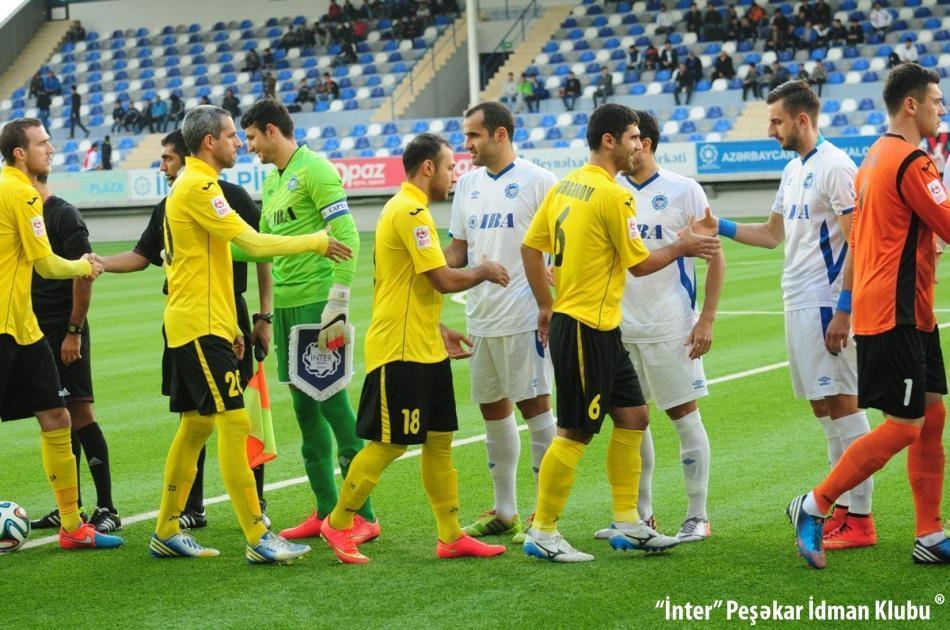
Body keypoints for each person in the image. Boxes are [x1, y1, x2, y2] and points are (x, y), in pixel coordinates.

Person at [144, 106, 348, 562]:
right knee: (235, 423)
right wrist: (315, 241)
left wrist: (231, 326)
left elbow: (215, 262)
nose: (239, 142)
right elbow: (253, 243)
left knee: (196, 426)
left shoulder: (196, 185)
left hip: (203, 323)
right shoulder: (199, 186)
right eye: (232, 135)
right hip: (198, 326)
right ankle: (258, 536)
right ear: (209, 142)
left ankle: (166, 529)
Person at [519, 104, 721, 562]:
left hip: (604, 328)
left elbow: (532, 248)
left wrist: (546, 305)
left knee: (634, 416)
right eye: (631, 137)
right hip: (586, 328)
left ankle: (630, 521)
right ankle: (543, 530)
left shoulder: (565, 185)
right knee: (574, 431)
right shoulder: (614, 195)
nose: (638, 145)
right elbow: (640, 264)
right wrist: (682, 246)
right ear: (609, 141)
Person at [701, 80, 877, 557]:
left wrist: (845, 309)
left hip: (825, 304)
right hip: (797, 302)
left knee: (844, 405)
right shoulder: (792, 169)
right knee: (824, 410)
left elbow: (859, 241)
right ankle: (843, 506)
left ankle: (861, 518)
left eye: (776, 121)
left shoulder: (836, 167)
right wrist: (720, 226)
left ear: (802, 119)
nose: (770, 130)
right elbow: (770, 234)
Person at [784, 64, 950, 568]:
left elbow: (868, 237)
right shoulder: (913, 163)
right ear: (911, 105)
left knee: (932, 415)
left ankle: (929, 534)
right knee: (905, 426)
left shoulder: (875, 155)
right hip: (896, 312)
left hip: (907, 309)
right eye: (936, 100)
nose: (941, 109)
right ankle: (814, 504)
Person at [318, 133, 510, 564]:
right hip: (399, 351)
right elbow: (441, 279)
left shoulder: (409, 209)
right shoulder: (409, 211)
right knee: (390, 444)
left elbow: (411, 283)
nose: (453, 175)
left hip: (425, 348)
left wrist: (438, 328)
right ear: (428, 168)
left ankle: (450, 536)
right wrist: (484, 271)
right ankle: (339, 521)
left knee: (439, 441)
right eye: (449, 167)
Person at [94, 130, 274, 531]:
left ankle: (256, 505)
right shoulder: (170, 204)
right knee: (194, 414)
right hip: (189, 317)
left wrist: (264, 314)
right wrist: (98, 262)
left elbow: (261, 250)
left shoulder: (231, 195)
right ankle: (191, 509)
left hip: (228, 315)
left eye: (168, 159)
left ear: (189, 153)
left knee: (237, 413)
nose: (162, 167)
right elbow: (142, 256)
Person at [239, 99, 379, 542]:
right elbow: (264, 245)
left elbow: (348, 235)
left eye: (252, 137)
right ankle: (324, 509)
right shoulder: (273, 180)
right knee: (304, 409)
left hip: (318, 304)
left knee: (334, 405)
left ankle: (363, 514)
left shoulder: (316, 170)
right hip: (286, 307)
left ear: (271, 130)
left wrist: (338, 301)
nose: (249, 147)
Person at [0, 118, 119, 550]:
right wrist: (85, 265)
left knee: (58, 416)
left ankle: (72, 525)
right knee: (60, 416)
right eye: (43, 143)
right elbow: (47, 264)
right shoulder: (19, 191)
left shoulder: (19, 191)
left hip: (25, 328)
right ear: (20, 153)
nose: (51, 149)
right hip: (4, 327)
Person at [443, 103, 558, 541]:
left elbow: (562, 245)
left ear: (500, 134)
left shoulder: (540, 181)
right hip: (481, 316)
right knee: (492, 409)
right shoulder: (467, 184)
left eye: (473, 135)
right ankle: (506, 511)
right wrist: (423, 262)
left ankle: (545, 514)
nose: (467, 144)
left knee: (535, 407)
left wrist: (553, 287)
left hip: (525, 316)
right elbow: (459, 250)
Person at [609, 110, 724, 544]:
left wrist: (706, 318)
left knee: (683, 416)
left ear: (645, 143)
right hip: (621, 328)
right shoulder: (612, 190)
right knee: (630, 421)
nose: (625, 147)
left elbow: (715, 257)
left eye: (631, 139)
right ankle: (641, 516)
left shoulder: (684, 190)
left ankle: (698, 515)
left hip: (670, 325)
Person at [27, 173, 121, 533]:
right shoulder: (24, 214)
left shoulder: (63, 215)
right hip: (34, 332)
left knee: (79, 411)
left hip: (64, 329)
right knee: (55, 415)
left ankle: (107, 507)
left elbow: (84, 274)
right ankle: (70, 506)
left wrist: (74, 331)